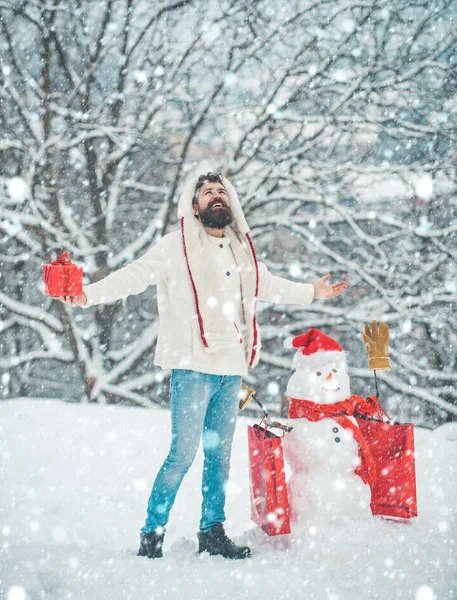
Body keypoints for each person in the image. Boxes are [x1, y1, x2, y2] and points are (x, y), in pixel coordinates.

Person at [58, 171, 348, 559]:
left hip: (230, 369)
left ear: (229, 204)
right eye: (207, 192)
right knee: (183, 454)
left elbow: (268, 283)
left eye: (221, 192)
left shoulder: (238, 251)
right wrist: (87, 295)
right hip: (193, 366)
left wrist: (313, 292)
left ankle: (212, 531)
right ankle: (152, 535)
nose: (215, 196)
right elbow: (134, 276)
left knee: (219, 457)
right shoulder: (175, 247)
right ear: (194, 206)